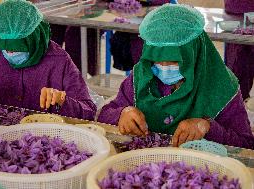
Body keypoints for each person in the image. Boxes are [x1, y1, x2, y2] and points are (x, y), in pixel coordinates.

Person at [98, 4, 254, 149]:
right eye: (157, 60)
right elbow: (104, 115)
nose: (164, 68)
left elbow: (246, 145)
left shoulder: (221, 86)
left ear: (194, 54)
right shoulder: (142, 77)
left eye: (174, 61)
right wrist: (122, 114)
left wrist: (207, 127)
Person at [0, 0, 96, 120]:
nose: (9, 53)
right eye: (4, 47)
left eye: (17, 47)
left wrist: (62, 101)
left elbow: (89, 111)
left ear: (35, 38)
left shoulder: (60, 62)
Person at [224, 0, 254, 100]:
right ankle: (238, 99)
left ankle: (239, 98)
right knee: (237, 61)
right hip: (235, 13)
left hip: (239, 12)